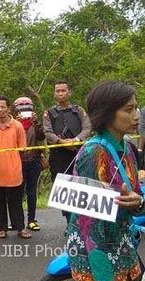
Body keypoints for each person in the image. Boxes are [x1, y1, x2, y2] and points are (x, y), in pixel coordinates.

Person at [67, 81, 143, 281]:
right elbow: (87, 219)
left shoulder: (126, 147)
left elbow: (135, 194)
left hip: (124, 247)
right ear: (107, 113)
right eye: (128, 109)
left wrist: (137, 202)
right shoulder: (94, 152)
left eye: (136, 108)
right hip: (96, 259)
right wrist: (104, 280)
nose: (136, 115)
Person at [42, 80, 91, 222]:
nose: (61, 93)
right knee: (64, 190)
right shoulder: (49, 113)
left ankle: (82, 222)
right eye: (58, 91)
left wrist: (75, 140)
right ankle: (69, 222)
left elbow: (87, 128)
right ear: (54, 94)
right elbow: (47, 132)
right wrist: (62, 142)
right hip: (59, 156)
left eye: (63, 90)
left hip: (79, 154)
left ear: (69, 92)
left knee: (81, 187)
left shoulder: (79, 110)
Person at [0, 95, 31, 239]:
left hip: (13, 170)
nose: (0, 110)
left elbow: (22, 147)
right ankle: (1, 228)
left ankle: (20, 228)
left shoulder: (17, 126)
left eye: (3, 107)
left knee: (15, 201)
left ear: (8, 108)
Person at [13, 97, 45, 231]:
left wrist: (36, 122)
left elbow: (42, 137)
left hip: (34, 161)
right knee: (17, 192)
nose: (25, 113)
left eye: (27, 109)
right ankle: (17, 221)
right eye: (22, 110)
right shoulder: (13, 124)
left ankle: (31, 219)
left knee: (31, 192)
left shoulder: (35, 125)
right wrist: (16, 122)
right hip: (18, 162)